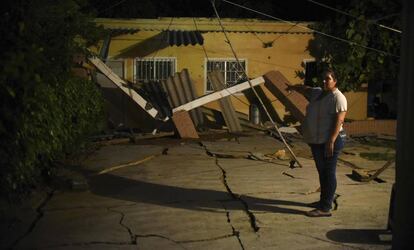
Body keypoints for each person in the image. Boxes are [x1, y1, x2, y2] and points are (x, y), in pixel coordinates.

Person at [289, 69, 347, 217]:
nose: (324, 81)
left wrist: (331, 141)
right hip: (316, 140)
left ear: (335, 81)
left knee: (328, 172)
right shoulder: (317, 93)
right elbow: (305, 89)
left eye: (327, 79)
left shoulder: (338, 98)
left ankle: (325, 208)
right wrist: (293, 87)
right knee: (322, 172)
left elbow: (339, 121)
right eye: (322, 79)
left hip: (331, 141)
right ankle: (323, 201)